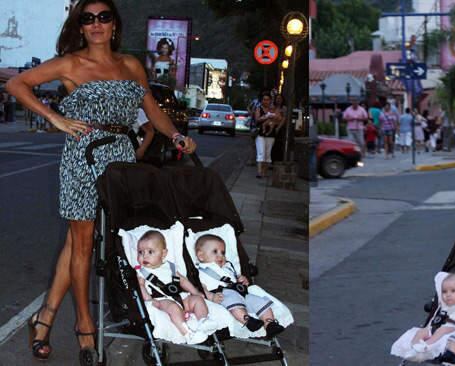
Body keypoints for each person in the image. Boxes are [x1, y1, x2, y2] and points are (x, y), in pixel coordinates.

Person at [6, 0, 196, 363]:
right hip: (83, 157)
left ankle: (44, 319)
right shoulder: (70, 63)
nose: (95, 24)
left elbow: (153, 114)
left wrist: (176, 137)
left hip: (122, 159)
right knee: (83, 246)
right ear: (80, 26)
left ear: (114, 25)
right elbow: (17, 84)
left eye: (103, 17)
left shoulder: (130, 66)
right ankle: (84, 324)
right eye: (87, 19)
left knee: (87, 242)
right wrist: (57, 119)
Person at [194, 234, 285, 337]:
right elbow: (200, 287)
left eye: (223, 252)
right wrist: (211, 296)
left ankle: (269, 324)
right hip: (223, 295)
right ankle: (248, 321)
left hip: (242, 294)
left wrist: (242, 280)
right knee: (234, 304)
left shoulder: (227, 267)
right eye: (215, 252)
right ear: (201, 255)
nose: (221, 256)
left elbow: (234, 278)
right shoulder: (201, 271)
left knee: (260, 302)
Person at [135, 231, 215, 343]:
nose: (144, 256)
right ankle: (187, 333)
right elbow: (141, 286)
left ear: (163, 254)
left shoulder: (170, 266)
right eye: (140, 252)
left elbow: (182, 280)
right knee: (173, 308)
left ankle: (203, 321)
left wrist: (194, 291)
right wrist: (149, 299)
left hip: (181, 297)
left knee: (198, 300)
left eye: (150, 252)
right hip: (162, 300)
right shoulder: (142, 272)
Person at [410, 274, 455, 352]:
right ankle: (414, 345)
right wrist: (427, 327)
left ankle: (427, 345)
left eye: (453, 291)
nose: (448, 295)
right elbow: (434, 318)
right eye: (444, 292)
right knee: (421, 331)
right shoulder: (443, 306)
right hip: (436, 327)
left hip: (452, 328)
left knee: (443, 330)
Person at [253, 91, 279, 178]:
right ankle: (259, 172)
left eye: (267, 100)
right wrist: (266, 117)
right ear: (262, 100)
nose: (265, 101)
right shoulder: (258, 108)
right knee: (261, 152)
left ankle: (264, 172)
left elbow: (278, 119)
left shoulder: (274, 109)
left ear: (270, 100)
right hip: (260, 134)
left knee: (267, 154)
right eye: (264, 99)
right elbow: (257, 119)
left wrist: (274, 119)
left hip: (271, 134)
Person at [270, 94, 287, 163]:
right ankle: (271, 160)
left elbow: (284, 119)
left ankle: (278, 160)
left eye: (280, 99)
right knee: (271, 144)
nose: (278, 100)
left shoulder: (284, 108)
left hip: (280, 127)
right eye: (277, 98)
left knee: (278, 144)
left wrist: (278, 127)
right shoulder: (272, 107)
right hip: (272, 126)